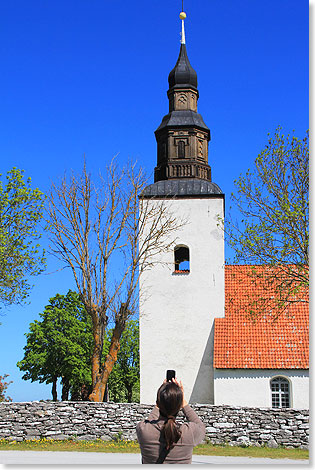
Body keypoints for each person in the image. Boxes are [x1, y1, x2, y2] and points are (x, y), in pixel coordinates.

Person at [136, 378, 205, 464]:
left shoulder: (143, 430)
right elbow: (200, 426)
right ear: (179, 405)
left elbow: (149, 422)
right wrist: (183, 402)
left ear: (158, 403)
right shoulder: (188, 432)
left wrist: (161, 396)